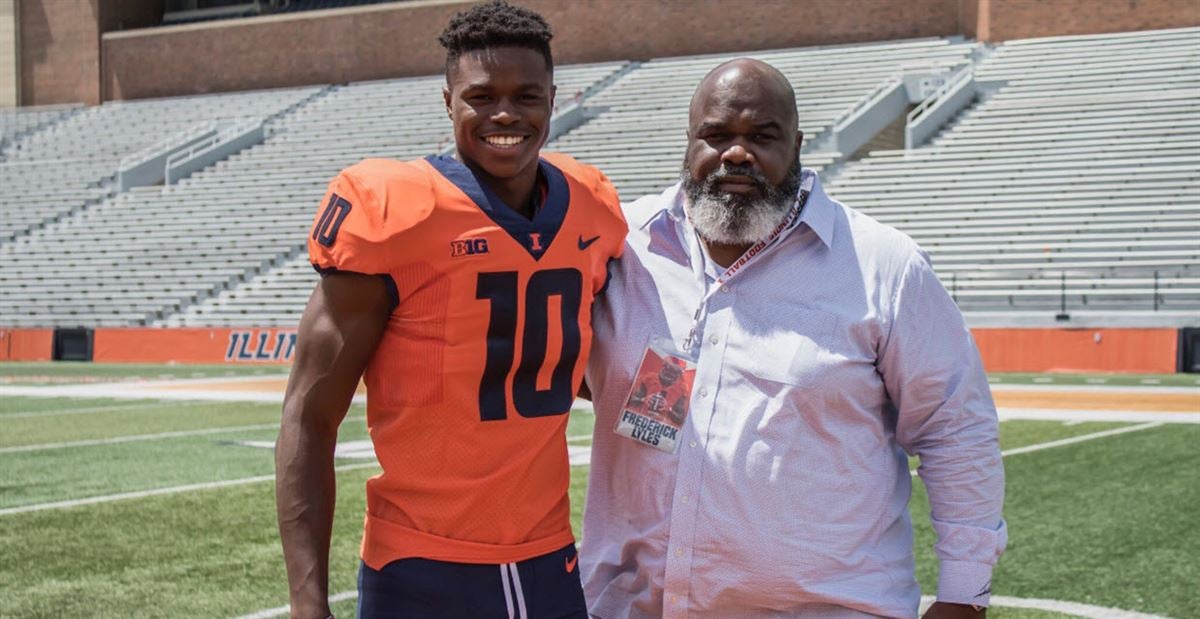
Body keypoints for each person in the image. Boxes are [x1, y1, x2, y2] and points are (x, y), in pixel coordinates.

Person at [581, 58, 1006, 618]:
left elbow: (957, 430)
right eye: (717, 135)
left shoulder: (883, 265)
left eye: (762, 136)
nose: (737, 152)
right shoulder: (618, 246)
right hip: (629, 607)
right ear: (688, 140)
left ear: (798, 144)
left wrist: (964, 595)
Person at [274, 2, 626, 617]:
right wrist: (309, 605)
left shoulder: (591, 206)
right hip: (420, 566)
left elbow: (581, 356)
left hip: (550, 556)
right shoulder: (394, 210)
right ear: (447, 102)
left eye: (527, 96)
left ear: (553, 100)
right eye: (481, 96)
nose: (505, 115)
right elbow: (310, 418)